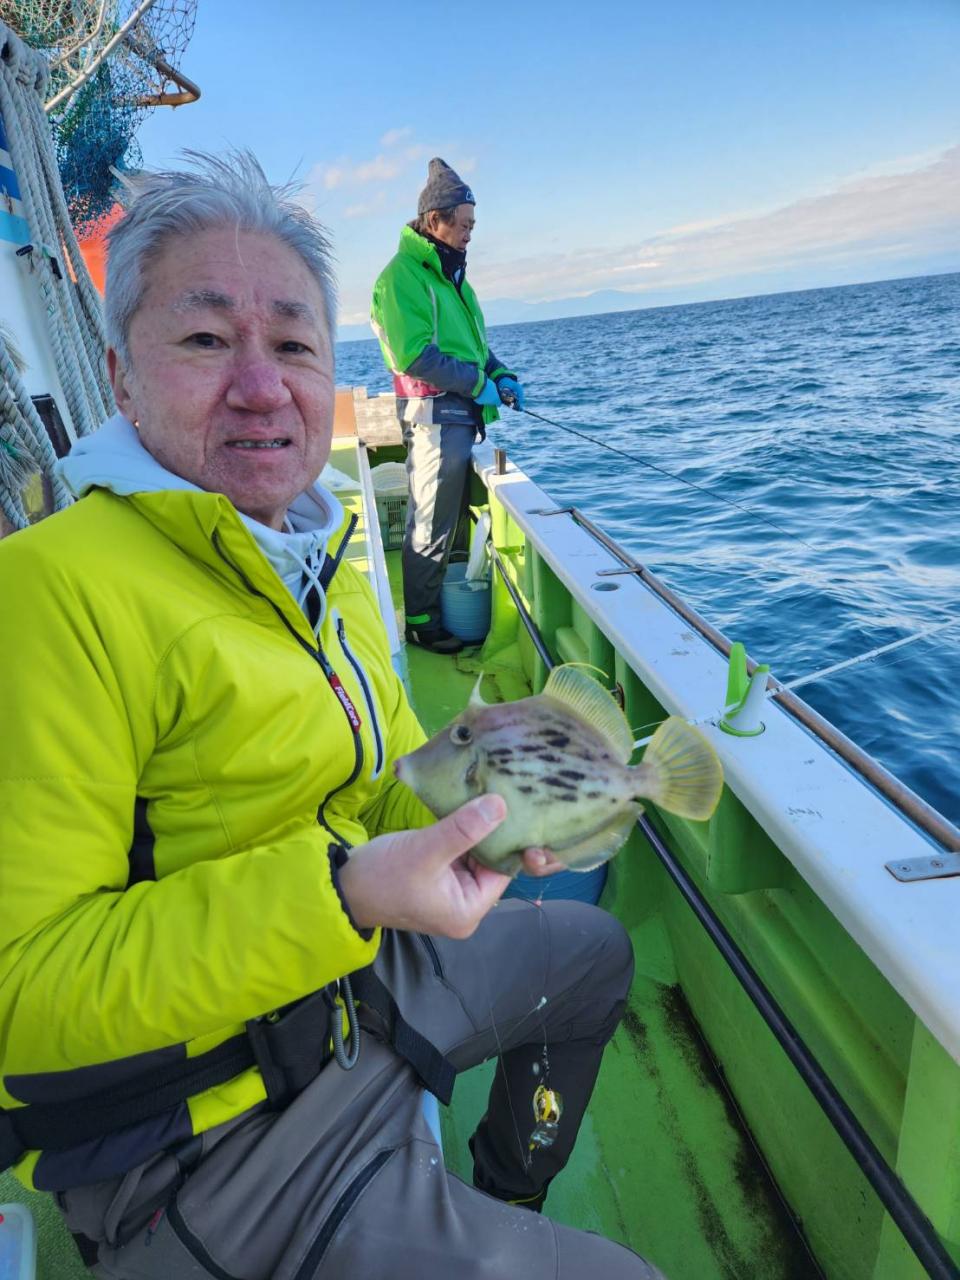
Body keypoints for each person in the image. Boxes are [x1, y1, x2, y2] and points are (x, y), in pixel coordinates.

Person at [0, 152, 664, 1280]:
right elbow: (21, 995)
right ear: (121, 375)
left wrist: (485, 805)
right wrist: (347, 892)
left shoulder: (323, 553)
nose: (262, 387)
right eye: (206, 338)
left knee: (595, 955)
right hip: (209, 1130)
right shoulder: (49, 594)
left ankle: (505, 1190)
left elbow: (387, 786)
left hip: (352, 983)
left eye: (296, 345)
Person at [371, 157, 525, 654]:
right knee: (430, 523)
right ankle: (421, 623)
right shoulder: (402, 277)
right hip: (433, 417)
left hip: (459, 417)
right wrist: (476, 382)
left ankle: (436, 610)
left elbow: (474, 348)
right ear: (433, 220)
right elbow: (414, 355)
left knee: (448, 522)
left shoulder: (454, 279)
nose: (469, 235)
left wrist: (499, 374)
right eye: (463, 225)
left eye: (473, 226)